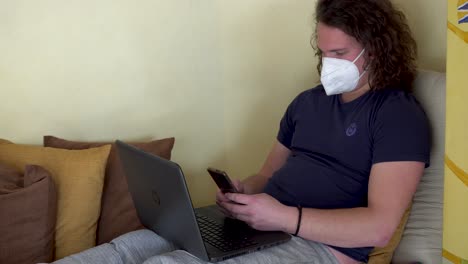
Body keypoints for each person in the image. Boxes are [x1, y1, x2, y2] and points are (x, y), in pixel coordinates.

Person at [138, 0, 430, 263]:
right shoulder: (307, 102)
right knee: (129, 247)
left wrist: (283, 218)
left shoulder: (397, 114)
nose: (329, 64)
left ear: (376, 50)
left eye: (340, 53)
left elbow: (379, 228)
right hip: (261, 228)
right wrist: (243, 195)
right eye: (325, 53)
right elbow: (265, 176)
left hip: (321, 247)